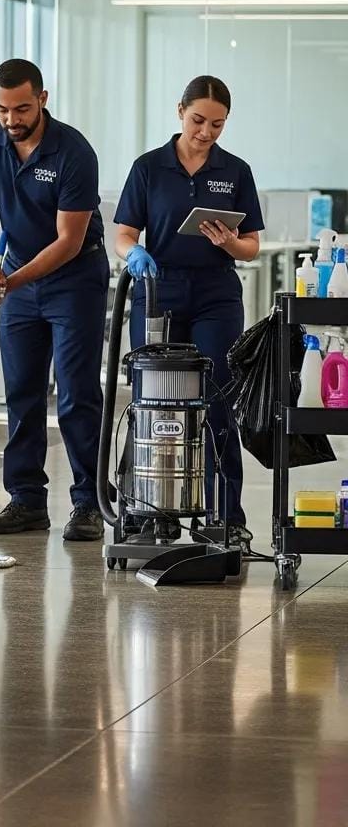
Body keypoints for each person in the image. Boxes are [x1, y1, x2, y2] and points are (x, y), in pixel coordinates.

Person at [0, 59, 110, 541]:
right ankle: (26, 499)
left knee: (76, 395)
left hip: (75, 279)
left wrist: (12, 281)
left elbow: (69, 240)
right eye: (2, 108)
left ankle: (89, 502)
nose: (11, 119)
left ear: (43, 98)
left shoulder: (73, 152)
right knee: (22, 393)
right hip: (20, 278)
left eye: (21, 108)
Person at [114, 75, 263, 553]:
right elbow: (123, 234)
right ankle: (143, 507)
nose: (206, 132)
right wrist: (133, 254)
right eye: (199, 120)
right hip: (158, 288)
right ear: (180, 111)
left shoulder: (235, 172)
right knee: (151, 400)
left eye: (217, 125)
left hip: (216, 294)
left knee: (216, 396)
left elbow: (252, 247)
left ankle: (225, 516)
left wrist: (230, 242)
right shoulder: (149, 168)